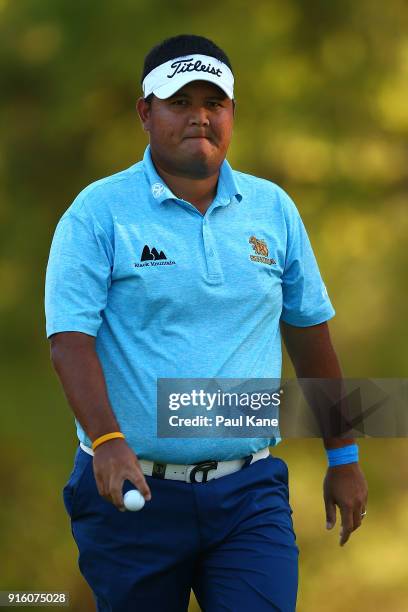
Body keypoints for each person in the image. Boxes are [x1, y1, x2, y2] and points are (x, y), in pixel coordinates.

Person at [45, 34, 368, 612]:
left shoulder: (274, 210)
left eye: (213, 103)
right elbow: (70, 341)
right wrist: (107, 439)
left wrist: (343, 456)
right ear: (146, 113)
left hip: (249, 493)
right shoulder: (98, 212)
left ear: (232, 115)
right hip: (130, 491)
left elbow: (310, 340)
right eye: (180, 102)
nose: (199, 117)